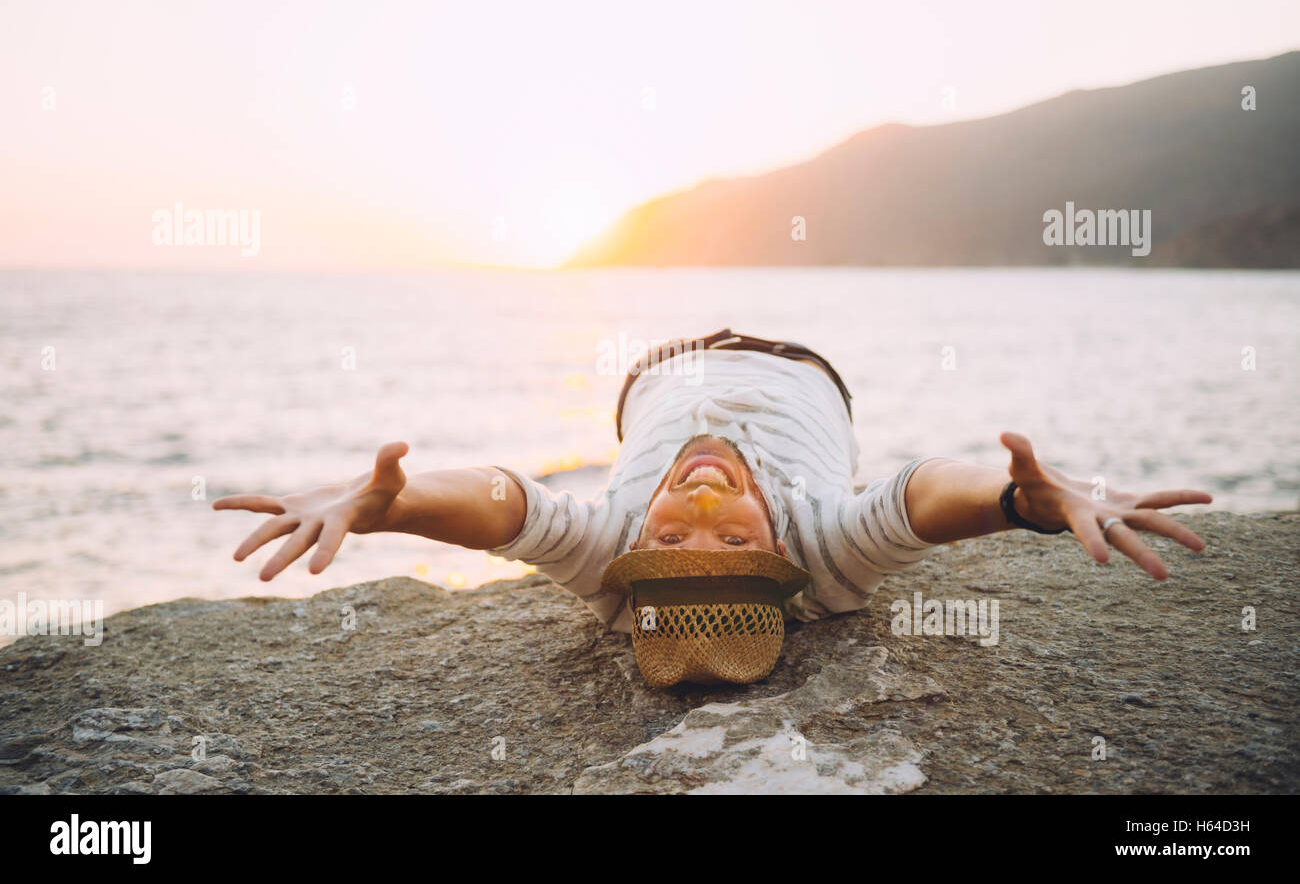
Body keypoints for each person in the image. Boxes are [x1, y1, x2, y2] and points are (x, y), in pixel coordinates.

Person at [214, 329, 1212, 633]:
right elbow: (916, 499)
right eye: (731, 542)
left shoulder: (616, 561)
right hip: (805, 364)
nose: (694, 509)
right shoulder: (823, 546)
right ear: (779, 556)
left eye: (673, 540)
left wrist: (398, 504)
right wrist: (1014, 503)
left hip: (655, 367)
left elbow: (511, 505)